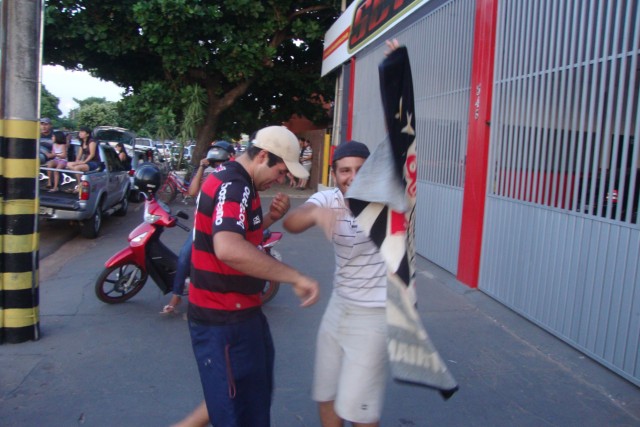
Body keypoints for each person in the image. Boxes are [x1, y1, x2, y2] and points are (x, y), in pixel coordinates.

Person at [187, 125, 319, 427]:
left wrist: (272, 217)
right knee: (239, 411)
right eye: (282, 171)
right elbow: (229, 248)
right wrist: (294, 277)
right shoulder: (236, 186)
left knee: (248, 400)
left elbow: (243, 238)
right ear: (262, 156)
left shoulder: (238, 183)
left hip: (239, 315)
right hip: (224, 321)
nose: (282, 179)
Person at [283, 140, 388, 427]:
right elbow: (292, 223)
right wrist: (315, 214)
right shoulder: (329, 199)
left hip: (375, 311)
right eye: (345, 170)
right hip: (339, 306)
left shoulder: (388, 200)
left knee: (359, 408)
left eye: (360, 170)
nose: (352, 177)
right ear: (334, 174)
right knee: (326, 392)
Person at [161, 142, 235, 315]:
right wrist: (202, 167)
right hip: (202, 225)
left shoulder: (233, 172)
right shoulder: (208, 172)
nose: (218, 162)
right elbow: (192, 192)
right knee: (185, 256)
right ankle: (177, 295)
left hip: (222, 224)